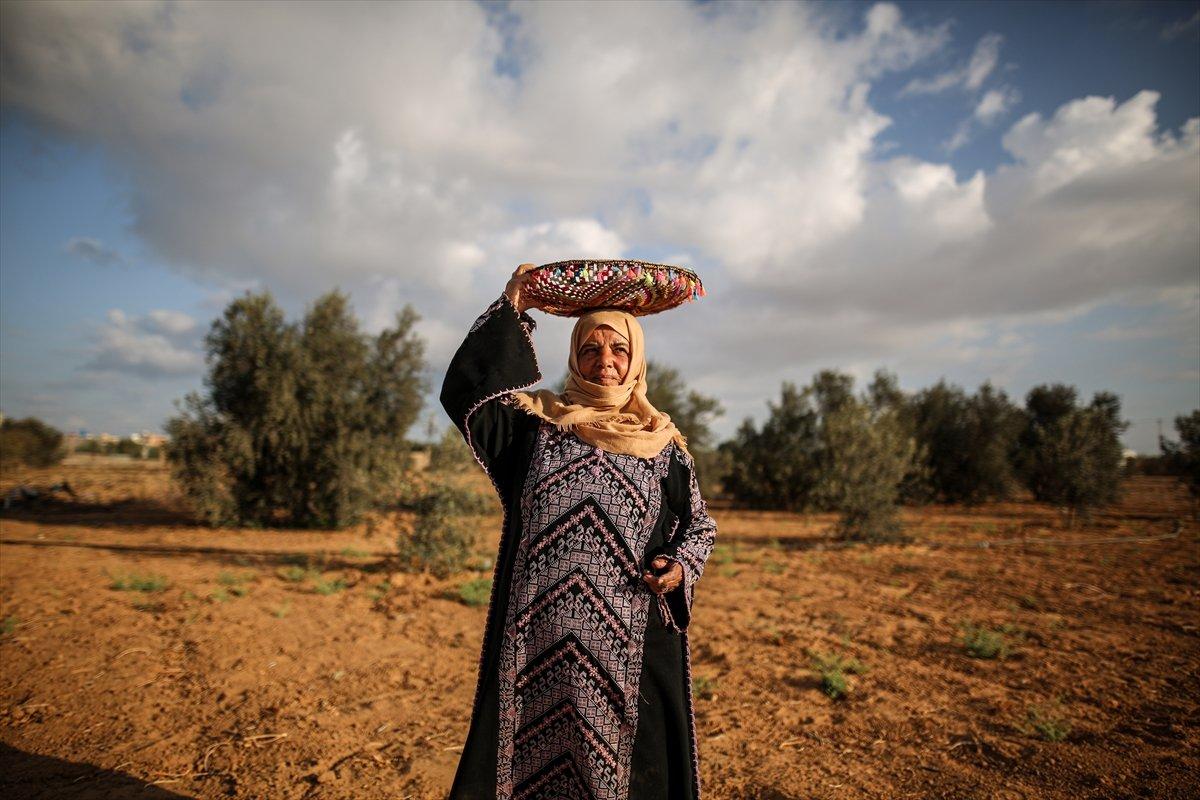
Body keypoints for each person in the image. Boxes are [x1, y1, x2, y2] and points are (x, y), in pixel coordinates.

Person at [440, 263, 719, 799]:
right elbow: (467, 397)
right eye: (591, 349)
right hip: (537, 648)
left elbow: (698, 526)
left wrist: (680, 565)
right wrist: (513, 309)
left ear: (636, 357)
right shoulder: (534, 430)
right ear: (575, 356)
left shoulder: (664, 448)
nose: (605, 362)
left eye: (618, 349)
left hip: (629, 649)